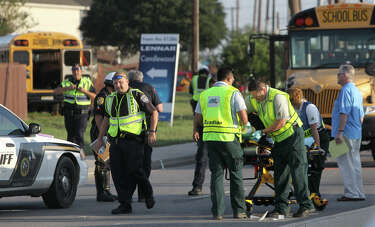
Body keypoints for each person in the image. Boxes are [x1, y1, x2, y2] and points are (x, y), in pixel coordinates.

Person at [246, 78, 314, 218]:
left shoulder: (278, 97)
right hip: (278, 139)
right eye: (252, 96)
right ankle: (281, 208)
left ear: (263, 90)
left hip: (293, 136)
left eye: (255, 95)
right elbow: (242, 109)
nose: (254, 99)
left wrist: (262, 132)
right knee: (280, 174)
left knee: (298, 172)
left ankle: (306, 205)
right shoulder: (255, 98)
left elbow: (281, 122)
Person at [96, 71, 158, 215]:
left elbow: (154, 112)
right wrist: (100, 138)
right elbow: (106, 120)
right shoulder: (110, 99)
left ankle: (148, 194)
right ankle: (125, 204)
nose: (118, 85)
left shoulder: (137, 95)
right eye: (116, 83)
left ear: (127, 82)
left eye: (121, 81)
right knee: (118, 174)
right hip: (116, 142)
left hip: (134, 141)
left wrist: (152, 131)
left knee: (135, 170)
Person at [193, 67, 248, 220]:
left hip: (211, 139)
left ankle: (217, 212)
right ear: (229, 79)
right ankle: (239, 211)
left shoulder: (205, 94)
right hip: (229, 139)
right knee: (236, 174)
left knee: (216, 175)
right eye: (233, 80)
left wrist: (195, 131)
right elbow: (244, 118)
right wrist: (244, 128)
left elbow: (197, 116)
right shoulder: (233, 92)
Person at [288, 87, 330, 198]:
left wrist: (317, 146)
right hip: (305, 139)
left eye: (291, 101)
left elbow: (314, 129)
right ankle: (306, 192)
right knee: (303, 166)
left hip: (319, 137)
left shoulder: (309, 108)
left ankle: (315, 193)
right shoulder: (292, 108)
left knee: (316, 166)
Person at [127, 70, 163, 202]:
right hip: (147, 131)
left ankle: (127, 195)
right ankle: (143, 193)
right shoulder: (149, 88)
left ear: (129, 79)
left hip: (129, 133)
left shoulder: (126, 89)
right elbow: (160, 108)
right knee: (145, 163)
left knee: (130, 164)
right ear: (141, 79)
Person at [332, 64, 366, 201]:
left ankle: (351, 193)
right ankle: (359, 192)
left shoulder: (345, 91)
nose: (337, 76)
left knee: (345, 163)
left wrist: (339, 132)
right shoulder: (357, 91)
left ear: (344, 75)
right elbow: (361, 116)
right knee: (355, 163)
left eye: (339, 74)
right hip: (356, 132)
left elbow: (343, 113)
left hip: (344, 132)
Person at [90, 72, 117, 202]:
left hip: (107, 133)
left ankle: (106, 191)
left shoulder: (112, 95)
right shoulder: (102, 97)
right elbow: (98, 117)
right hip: (99, 132)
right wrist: (103, 135)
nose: (117, 85)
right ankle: (102, 193)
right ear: (110, 83)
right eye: (115, 82)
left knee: (106, 162)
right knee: (102, 162)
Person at [54, 63, 96, 148]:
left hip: (82, 113)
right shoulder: (66, 82)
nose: (76, 72)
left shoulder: (87, 82)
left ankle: (80, 154)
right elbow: (56, 91)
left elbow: (94, 96)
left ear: (81, 71)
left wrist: (84, 91)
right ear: (72, 72)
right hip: (69, 113)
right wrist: (67, 88)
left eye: (77, 70)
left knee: (79, 134)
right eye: (74, 70)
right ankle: (71, 154)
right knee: (70, 135)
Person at [188, 66, 211, 196]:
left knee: (202, 159)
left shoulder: (195, 78)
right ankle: (197, 187)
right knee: (202, 159)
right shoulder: (208, 85)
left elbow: (191, 90)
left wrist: (195, 130)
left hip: (196, 101)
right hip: (207, 129)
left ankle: (197, 187)